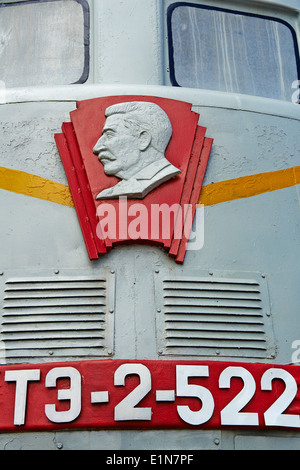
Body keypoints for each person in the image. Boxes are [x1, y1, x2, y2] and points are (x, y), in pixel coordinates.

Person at [93, 101, 181, 199]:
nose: (96, 148)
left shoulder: (157, 177)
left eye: (109, 135)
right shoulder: (113, 191)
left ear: (143, 140)